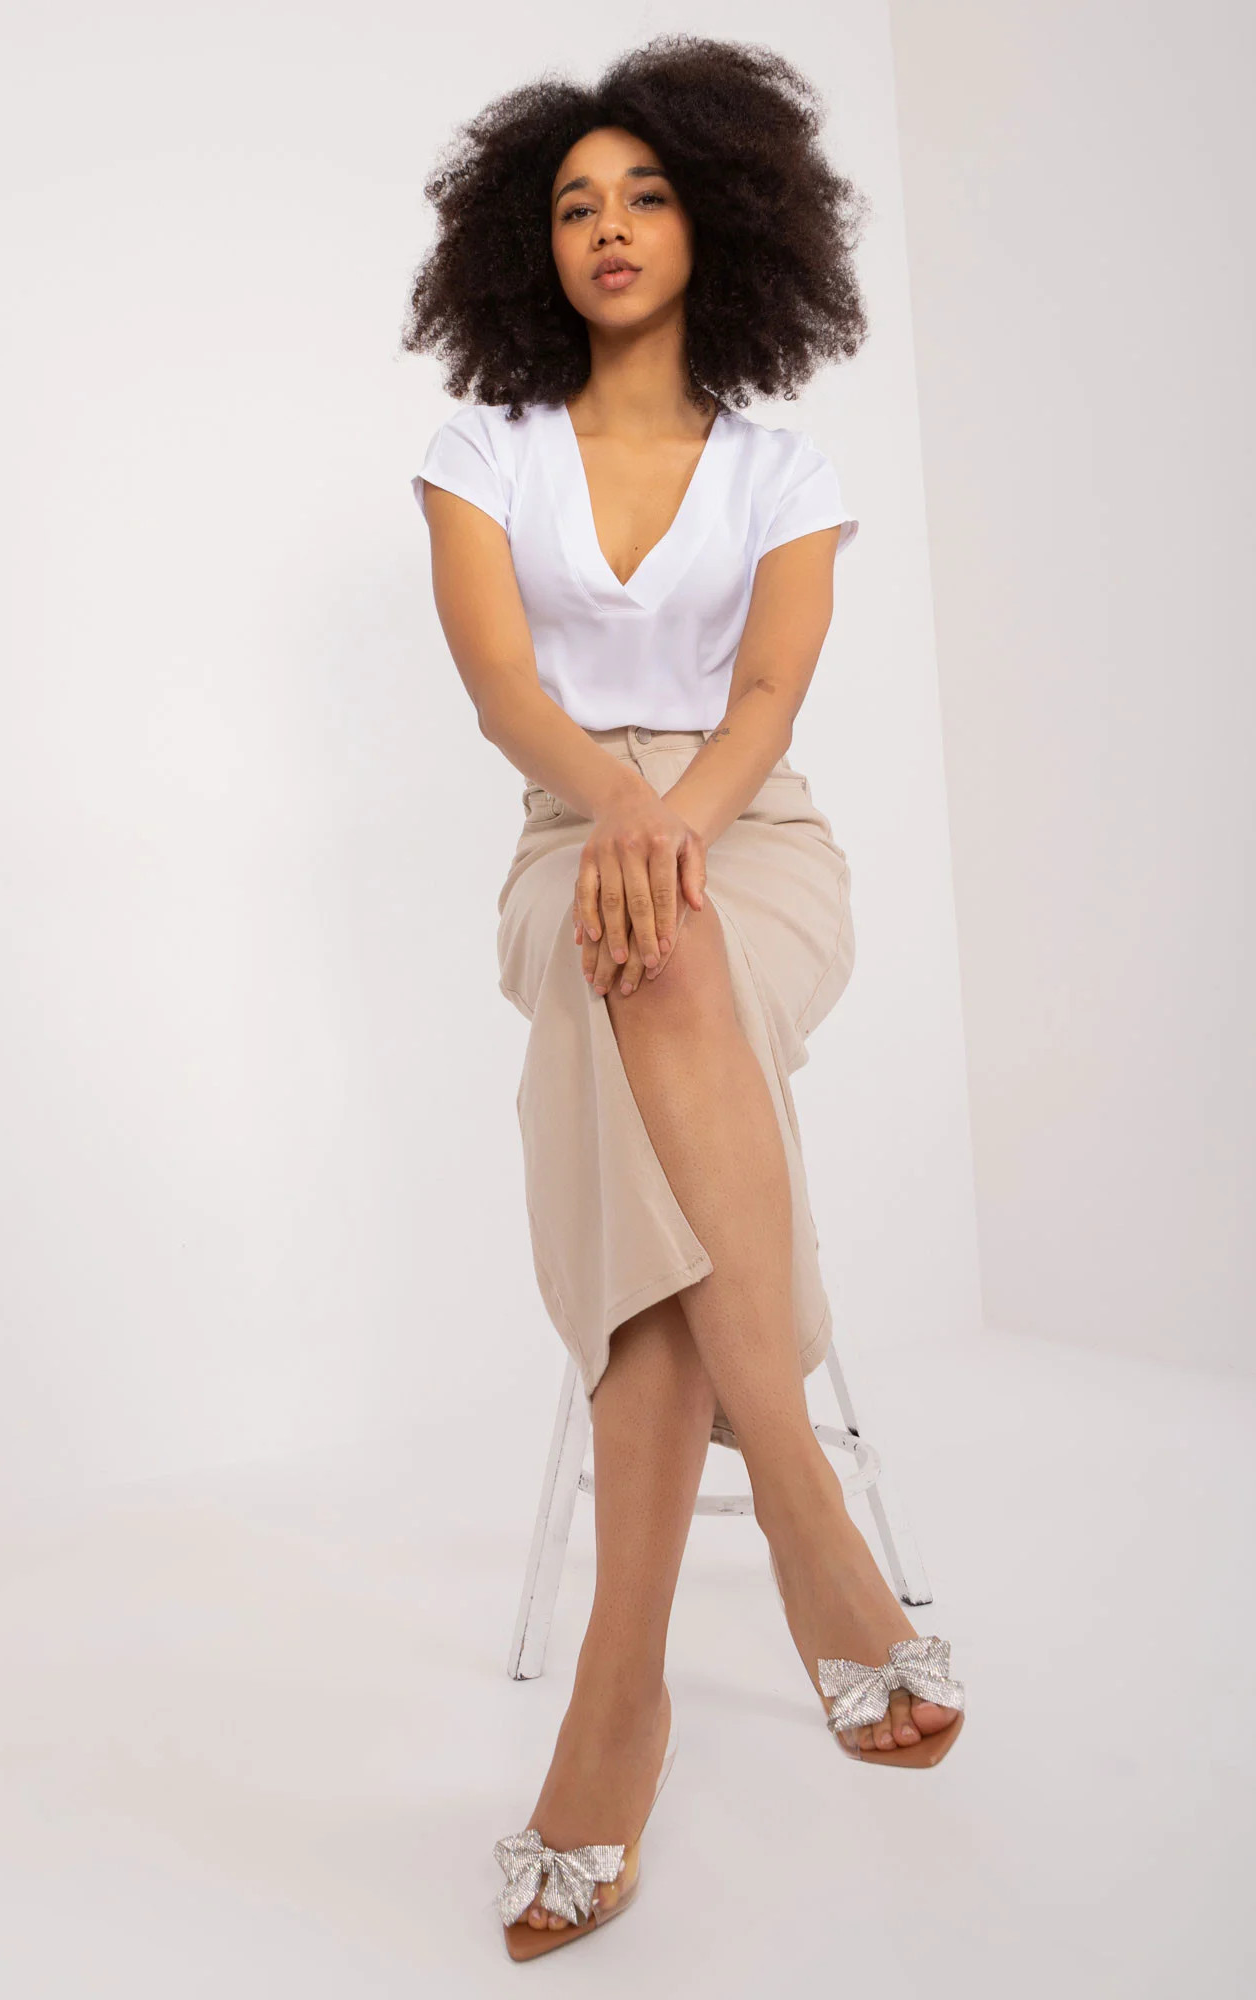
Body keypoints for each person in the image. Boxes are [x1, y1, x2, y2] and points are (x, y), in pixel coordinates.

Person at [403, 35, 965, 1963]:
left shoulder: (782, 469)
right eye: (575, 204)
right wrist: (622, 820)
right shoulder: (481, 451)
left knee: (661, 965)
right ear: (529, 247)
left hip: (755, 836)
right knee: (630, 960)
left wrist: (677, 829)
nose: (612, 227)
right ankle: (804, 1512)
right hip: (569, 830)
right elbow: (506, 693)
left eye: (645, 193)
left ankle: (615, 1706)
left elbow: (769, 703)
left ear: (721, 218)